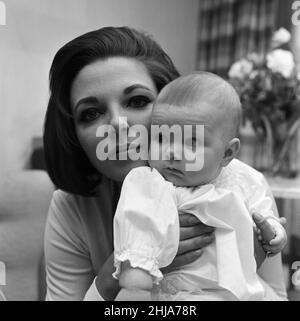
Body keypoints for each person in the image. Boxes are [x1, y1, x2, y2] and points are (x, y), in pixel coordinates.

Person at [43, 26, 288, 301]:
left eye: (137, 101)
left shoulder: (242, 185)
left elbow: (277, 294)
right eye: (90, 113)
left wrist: (248, 260)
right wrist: (121, 271)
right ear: (73, 134)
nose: (117, 125)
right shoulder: (70, 207)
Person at [113, 72, 287, 301]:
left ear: (227, 153)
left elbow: (263, 216)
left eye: (192, 142)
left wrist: (273, 234)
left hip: (246, 291)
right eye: (162, 138)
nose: (172, 153)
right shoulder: (152, 184)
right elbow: (138, 229)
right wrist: (134, 288)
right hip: (179, 294)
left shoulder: (244, 181)